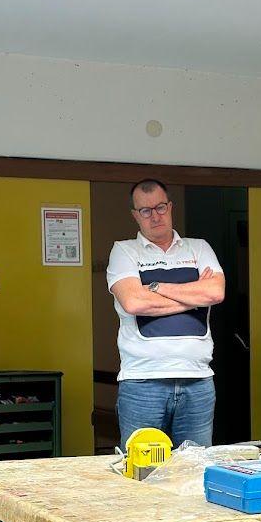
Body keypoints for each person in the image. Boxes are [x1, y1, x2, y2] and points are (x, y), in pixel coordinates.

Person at [107, 179, 225, 450]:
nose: (155, 216)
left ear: (170, 207)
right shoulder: (124, 251)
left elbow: (215, 293)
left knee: (194, 468)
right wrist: (193, 298)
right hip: (142, 382)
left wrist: (156, 287)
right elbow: (134, 302)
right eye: (145, 210)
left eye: (160, 207)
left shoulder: (199, 248)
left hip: (198, 380)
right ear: (135, 215)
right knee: (141, 467)